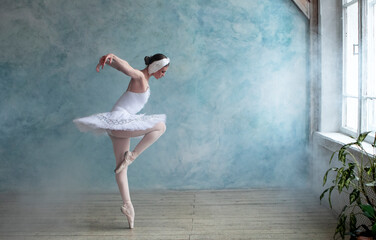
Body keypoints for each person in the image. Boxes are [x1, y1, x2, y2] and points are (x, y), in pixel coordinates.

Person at [73, 53, 170, 229]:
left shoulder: (143, 79)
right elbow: (127, 68)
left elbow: (125, 67)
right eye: (162, 71)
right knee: (160, 126)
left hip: (118, 126)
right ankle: (131, 157)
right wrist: (113, 58)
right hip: (119, 121)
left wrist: (111, 61)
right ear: (155, 67)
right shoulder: (140, 76)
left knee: (120, 168)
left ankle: (128, 207)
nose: (163, 75)